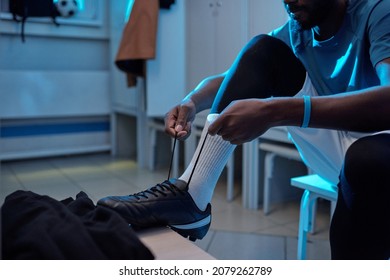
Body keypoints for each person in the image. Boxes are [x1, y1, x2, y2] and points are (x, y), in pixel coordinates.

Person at [98, 0, 390, 260]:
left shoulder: (378, 12)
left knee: (365, 160)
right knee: (262, 48)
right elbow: (236, 73)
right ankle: (193, 196)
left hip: (378, 150)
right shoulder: (299, 26)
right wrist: (192, 101)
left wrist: (275, 111)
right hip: (333, 150)